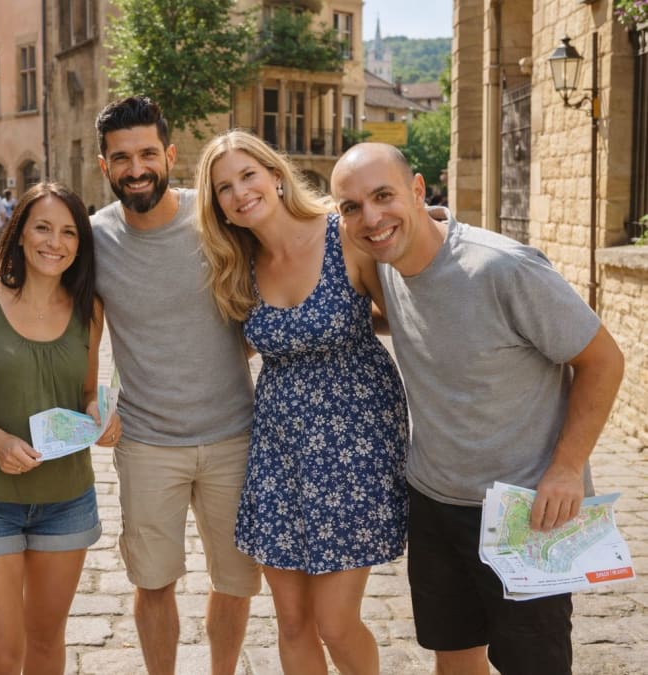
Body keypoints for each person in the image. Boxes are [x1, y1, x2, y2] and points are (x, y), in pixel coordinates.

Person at [331, 142, 625, 675]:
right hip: (435, 503)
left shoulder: (503, 268)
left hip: (526, 510)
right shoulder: (388, 267)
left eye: (383, 196)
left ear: (417, 191)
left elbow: (603, 360)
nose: (371, 218)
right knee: (454, 656)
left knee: (534, 664)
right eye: (351, 207)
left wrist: (565, 469)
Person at [195, 130, 408, 674]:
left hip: (356, 448)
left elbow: (407, 324)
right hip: (279, 451)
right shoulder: (235, 265)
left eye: (248, 175)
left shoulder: (345, 236)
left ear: (274, 173)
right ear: (216, 205)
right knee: (291, 623)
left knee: (336, 623)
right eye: (224, 187)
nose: (240, 192)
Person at [92, 96, 261, 674]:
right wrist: (91, 404)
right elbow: (81, 332)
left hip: (235, 436)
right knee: (152, 581)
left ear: (168, 155)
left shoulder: (215, 219)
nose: (135, 168)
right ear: (104, 166)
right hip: (145, 441)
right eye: (121, 158)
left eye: (146, 154)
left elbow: (294, 246)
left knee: (236, 579)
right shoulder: (93, 240)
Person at [0, 181, 121, 674]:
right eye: (42, 227)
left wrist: (98, 416)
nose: (54, 242)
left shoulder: (90, 310)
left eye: (68, 232)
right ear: (19, 233)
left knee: (45, 645)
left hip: (66, 500)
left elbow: (86, 390)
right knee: (1, 656)